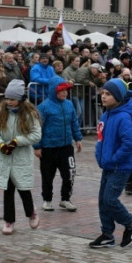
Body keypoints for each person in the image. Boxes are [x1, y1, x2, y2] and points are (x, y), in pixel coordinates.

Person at [90, 78, 132, 249]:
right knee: (102, 200)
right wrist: (99, 155)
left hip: (120, 167)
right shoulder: (105, 115)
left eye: (108, 94)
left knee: (110, 200)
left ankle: (131, 225)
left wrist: (113, 159)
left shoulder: (124, 117)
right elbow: (100, 138)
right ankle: (107, 234)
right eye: (102, 93)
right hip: (107, 165)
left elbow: (129, 143)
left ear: (118, 97)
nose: (103, 97)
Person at [0, 79, 42, 235]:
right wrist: (0, 144)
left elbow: (36, 135)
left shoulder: (29, 113)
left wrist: (17, 141)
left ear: (20, 99)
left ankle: (31, 212)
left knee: (23, 187)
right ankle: (9, 220)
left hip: (21, 157)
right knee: (8, 190)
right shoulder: (1, 112)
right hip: (5, 156)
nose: (9, 102)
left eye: (12, 99)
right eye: (7, 98)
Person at [34, 77, 82, 213]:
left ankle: (65, 199)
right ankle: (47, 200)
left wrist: (78, 138)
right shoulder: (43, 107)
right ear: (54, 91)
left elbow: (74, 122)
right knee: (47, 176)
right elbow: (37, 127)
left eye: (66, 90)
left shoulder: (69, 104)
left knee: (70, 174)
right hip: (48, 148)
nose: (65, 93)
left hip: (66, 147)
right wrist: (37, 146)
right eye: (61, 90)